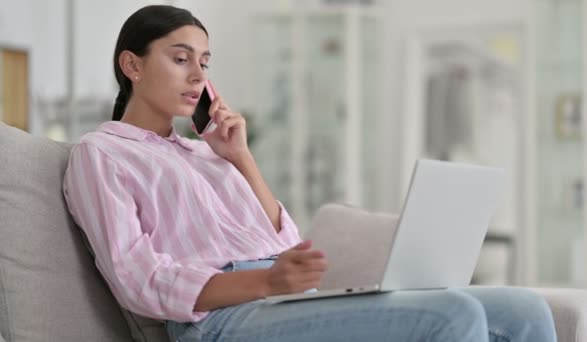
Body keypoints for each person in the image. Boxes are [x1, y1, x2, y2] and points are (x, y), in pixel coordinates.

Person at [62, 5, 557, 342]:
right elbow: (137, 278)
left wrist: (242, 159)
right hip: (220, 321)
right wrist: (266, 284)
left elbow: (286, 242)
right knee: (456, 314)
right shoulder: (101, 154)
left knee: (525, 308)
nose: (198, 76)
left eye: (205, 63)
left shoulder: (208, 154)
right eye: (180, 59)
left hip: (283, 299)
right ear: (132, 64)